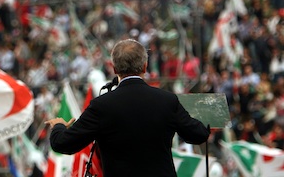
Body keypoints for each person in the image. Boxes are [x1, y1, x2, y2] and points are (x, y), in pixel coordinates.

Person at [45, 39, 210, 176]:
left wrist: (59, 126)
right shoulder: (167, 100)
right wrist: (207, 118)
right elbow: (198, 134)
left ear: (115, 68)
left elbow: (62, 144)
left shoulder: (101, 106)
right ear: (145, 67)